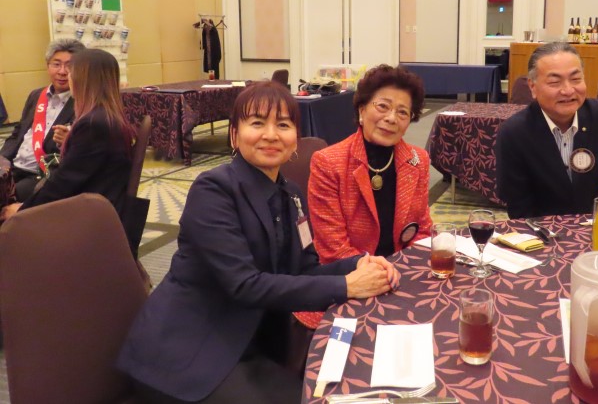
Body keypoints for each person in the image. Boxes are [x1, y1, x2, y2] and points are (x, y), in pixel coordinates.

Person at [117, 82, 400, 404]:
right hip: (187, 352)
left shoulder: (291, 195)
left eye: (283, 125)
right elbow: (244, 285)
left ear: (295, 138)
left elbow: (304, 269)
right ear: (234, 136)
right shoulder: (213, 191)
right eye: (257, 123)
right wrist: (347, 286)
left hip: (249, 342)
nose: (271, 135)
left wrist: (357, 264)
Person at [307, 64, 433, 264]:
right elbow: (333, 248)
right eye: (382, 106)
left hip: (404, 268)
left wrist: (408, 269)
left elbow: (422, 231)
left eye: (402, 112)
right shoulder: (329, 163)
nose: (391, 118)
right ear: (362, 110)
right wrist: (380, 272)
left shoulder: (418, 160)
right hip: (351, 273)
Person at [495, 42, 598, 219]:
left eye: (576, 79)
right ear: (532, 87)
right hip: (542, 231)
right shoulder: (515, 132)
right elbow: (519, 207)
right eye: (554, 82)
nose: (568, 90)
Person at [1, 49, 134, 222]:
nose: (66, 75)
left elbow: (65, 182)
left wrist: (23, 209)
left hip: (88, 214)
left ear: (83, 79)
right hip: (97, 203)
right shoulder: (105, 116)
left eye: (71, 71)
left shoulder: (93, 124)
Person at [0, 39, 85, 202]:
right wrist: (2, 161)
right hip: (14, 167)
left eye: (70, 66)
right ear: (47, 66)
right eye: (56, 64)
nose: (62, 71)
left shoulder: (83, 102)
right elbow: (18, 134)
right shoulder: (36, 95)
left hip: (42, 174)